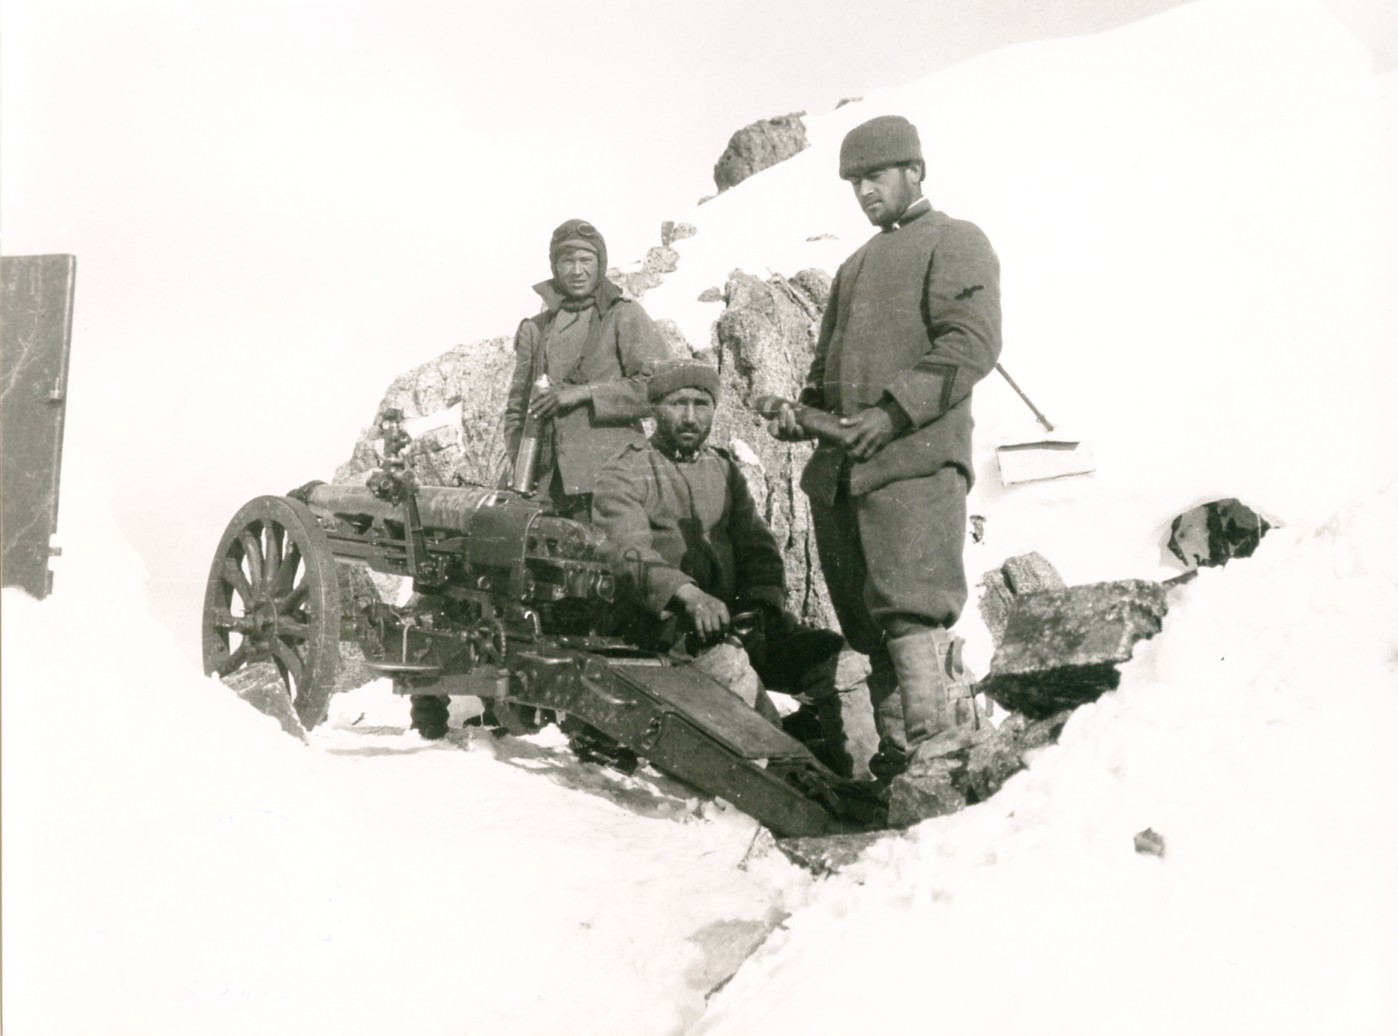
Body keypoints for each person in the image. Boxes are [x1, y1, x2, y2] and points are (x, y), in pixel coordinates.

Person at [771, 114, 1002, 779]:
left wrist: (890, 412)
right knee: (871, 633)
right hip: (844, 481)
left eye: (876, 176)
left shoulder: (954, 242)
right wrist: (801, 417)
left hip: (913, 468)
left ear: (915, 171)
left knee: (911, 616)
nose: (866, 192)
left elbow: (971, 344)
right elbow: (823, 376)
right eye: (856, 183)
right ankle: (901, 777)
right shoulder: (854, 267)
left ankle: (937, 765)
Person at [592, 360, 858, 776]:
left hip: (736, 625)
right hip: (664, 635)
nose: (691, 416)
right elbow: (626, 553)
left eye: (702, 404)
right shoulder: (624, 471)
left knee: (837, 657)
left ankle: (867, 777)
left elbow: (758, 548)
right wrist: (689, 596)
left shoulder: (723, 468)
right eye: (678, 404)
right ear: (655, 409)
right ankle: (800, 785)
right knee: (734, 676)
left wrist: (762, 607)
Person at [502, 219, 670, 520]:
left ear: (600, 263)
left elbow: (659, 389)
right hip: (545, 488)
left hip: (616, 482)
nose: (577, 271)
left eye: (586, 260)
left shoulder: (624, 316)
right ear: (554, 266)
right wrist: (520, 465)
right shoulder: (536, 329)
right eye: (567, 260)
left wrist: (584, 394)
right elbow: (517, 409)